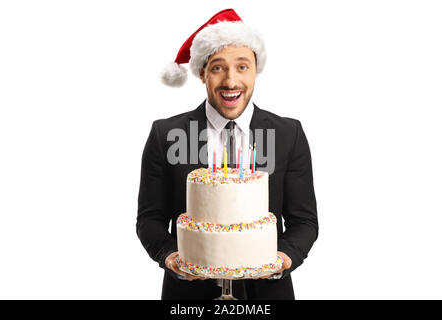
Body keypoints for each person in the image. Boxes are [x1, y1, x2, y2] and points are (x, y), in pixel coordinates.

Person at [136, 8, 318, 300]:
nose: (231, 82)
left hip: (268, 295)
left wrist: (283, 258)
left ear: (256, 69)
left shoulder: (288, 134)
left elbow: (304, 221)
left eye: (242, 67)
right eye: (218, 67)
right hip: (189, 297)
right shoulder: (165, 135)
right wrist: (171, 257)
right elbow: (150, 219)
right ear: (201, 73)